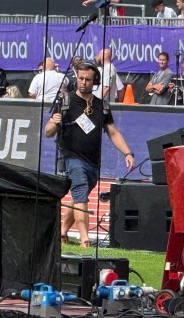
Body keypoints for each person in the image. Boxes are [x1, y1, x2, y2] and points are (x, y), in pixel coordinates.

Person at [44, 62, 135, 247]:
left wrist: (127, 152)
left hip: (93, 161)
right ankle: (84, 237)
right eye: (80, 78)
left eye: (87, 79)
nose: (83, 82)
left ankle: (61, 232)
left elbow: (113, 132)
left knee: (79, 195)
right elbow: (48, 131)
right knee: (80, 194)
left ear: (95, 82)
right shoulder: (65, 101)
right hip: (71, 157)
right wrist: (54, 122)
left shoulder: (102, 106)